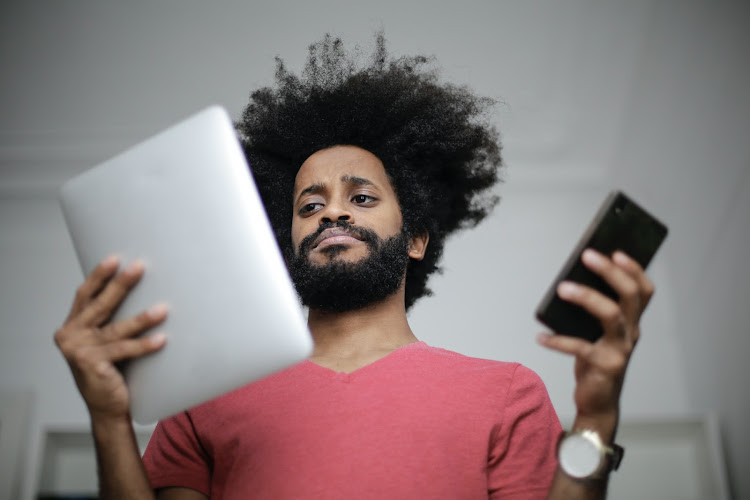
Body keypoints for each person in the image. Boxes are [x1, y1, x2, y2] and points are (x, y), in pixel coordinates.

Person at [54, 33, 653, 499]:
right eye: (308, 205)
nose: (330, 213)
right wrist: (109, 419)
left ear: (415, 238)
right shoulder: (204, 399)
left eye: (361, 198)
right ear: (286, 240)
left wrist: (597, 415)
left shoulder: (508, 393)